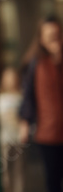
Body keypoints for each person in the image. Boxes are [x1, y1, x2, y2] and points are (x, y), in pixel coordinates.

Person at [19, 16, 63, 192]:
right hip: (48, 132)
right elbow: (28, 95)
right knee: (52, 180)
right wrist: (25, 122)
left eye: (57, 34)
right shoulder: (35, 64)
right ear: (41, 37)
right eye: (50, 34)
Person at [0, 67, 25, 192]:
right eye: (7, 78)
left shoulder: (21, 97)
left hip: (18, 139)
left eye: (12, 78)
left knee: (19, 170)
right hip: (4, 139)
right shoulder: (0, 98)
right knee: (5, 171)